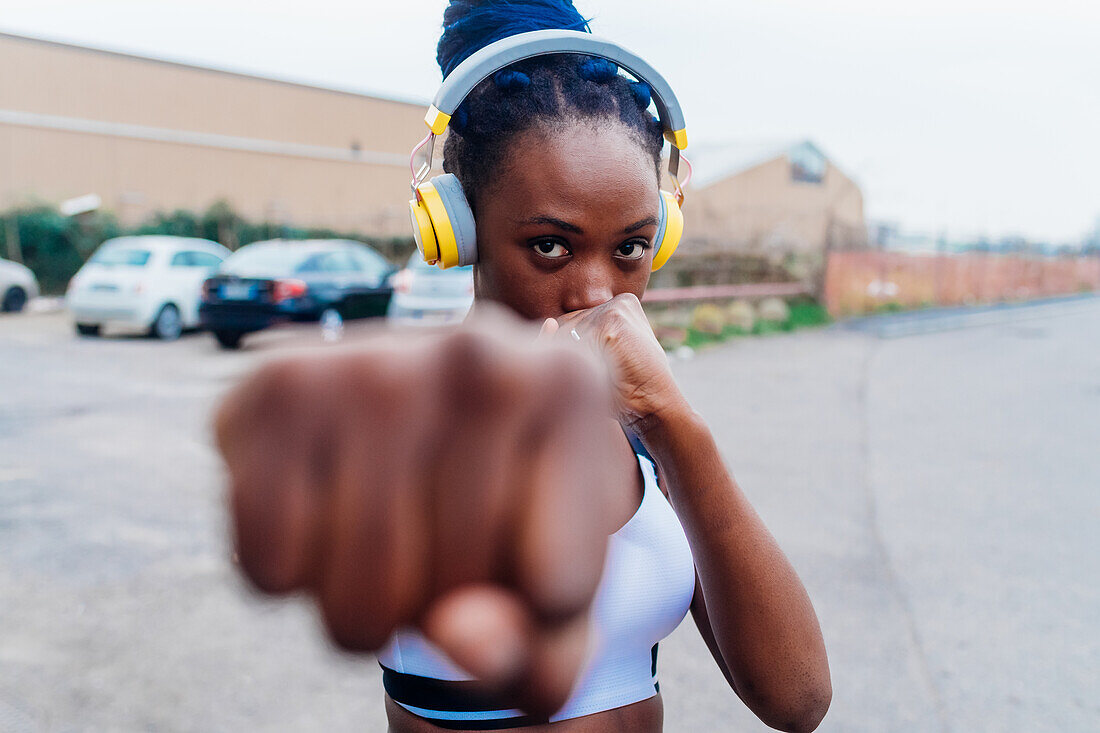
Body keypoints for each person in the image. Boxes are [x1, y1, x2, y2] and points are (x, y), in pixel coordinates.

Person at [214, 2, 831, 731]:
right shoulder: (423, 425)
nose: (598, 295)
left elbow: (797, 699)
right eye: (550, 246)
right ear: (458, 227)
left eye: (631, 248)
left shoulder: (645, 432)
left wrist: (674, 427)